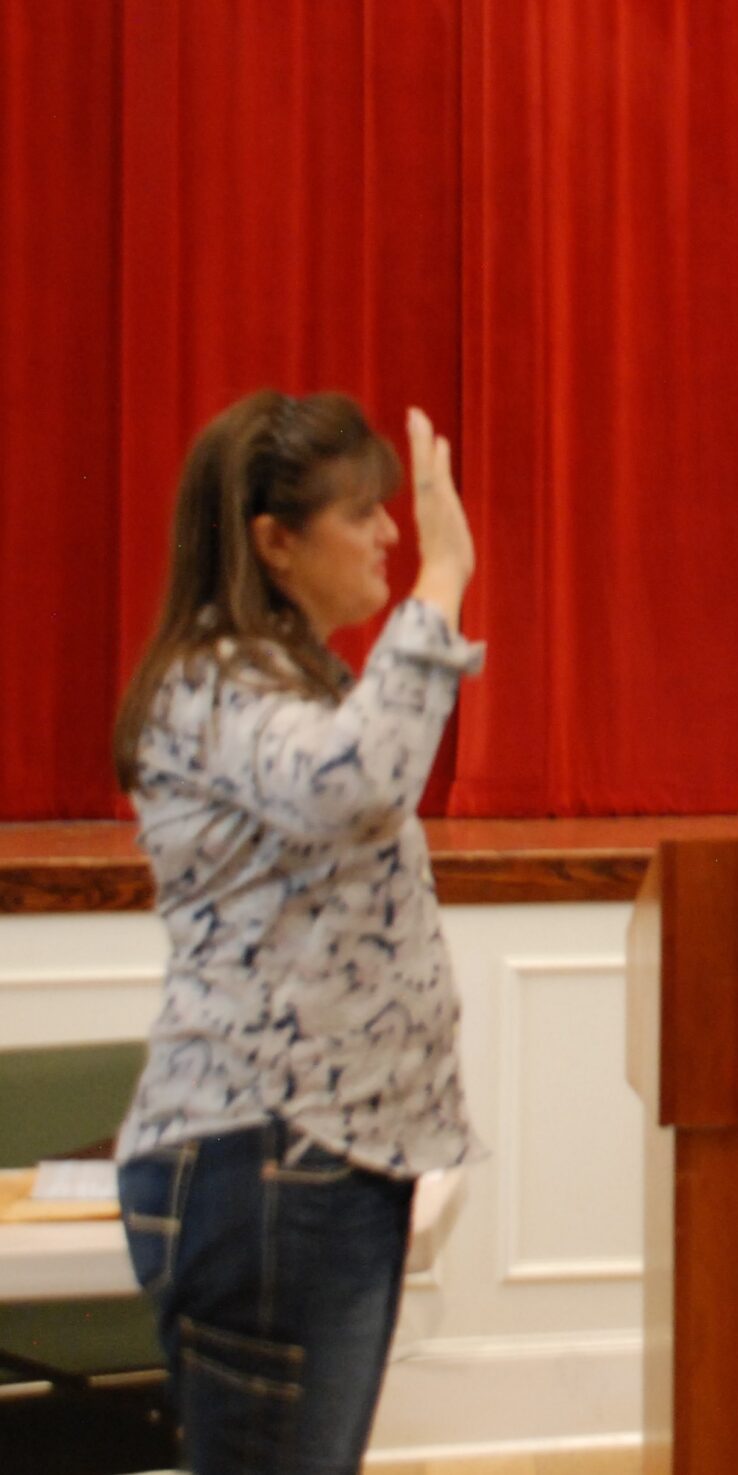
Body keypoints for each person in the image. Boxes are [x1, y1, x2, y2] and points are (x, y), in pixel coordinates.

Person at [110, 389, 483, 1475]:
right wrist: (444, 581)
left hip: (313, 1165)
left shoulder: (281, 681)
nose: (390, 534)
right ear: (274, 541)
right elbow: (355, 785)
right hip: (271, 1167)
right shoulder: (214, 682)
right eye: (360, 513)